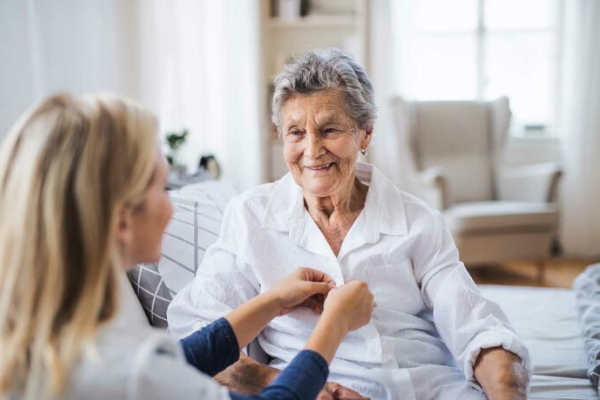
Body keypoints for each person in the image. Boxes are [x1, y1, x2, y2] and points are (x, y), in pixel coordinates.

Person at [168, 49, 532, 400]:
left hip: (426, 387)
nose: (312, 150)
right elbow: (196, 332)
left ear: (365, 134)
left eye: (329, 130)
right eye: (296, 133)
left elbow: (477, 327)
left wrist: (504, 388)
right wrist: (278, 382)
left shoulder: (417, 222)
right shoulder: (250, 217)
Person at [0, 93, 375, 400]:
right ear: (121, 219)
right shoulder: (127, 373)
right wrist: (334, 324)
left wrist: (271, 302)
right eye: (162, 187)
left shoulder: (52, 342)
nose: (171, 206)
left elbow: (180, 360)